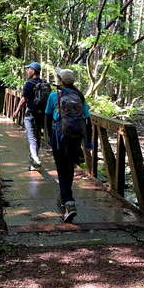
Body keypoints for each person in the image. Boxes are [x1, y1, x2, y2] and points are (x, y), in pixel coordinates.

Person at [45, 68, 92, 223]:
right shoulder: (79, 96)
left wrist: (49, 137)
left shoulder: (54, 96)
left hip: (59, 136)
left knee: (61, 168)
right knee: (69, 167)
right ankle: (66, 198)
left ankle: (69, 203)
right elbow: (87, 119)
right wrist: (88, 142)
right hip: (75, 136)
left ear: (60, 81)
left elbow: (47, 117)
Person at [13, 62, 43, 170]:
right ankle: (35, 162)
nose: (27, 71)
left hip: (30, 114)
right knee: (37, 136)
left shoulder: (29, 83)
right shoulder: (44, 83)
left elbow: (23, 100)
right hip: (40, 114)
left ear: (33, 71)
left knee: (31, 137)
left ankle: (35, 158)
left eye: (28, 69)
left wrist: (16, 111)